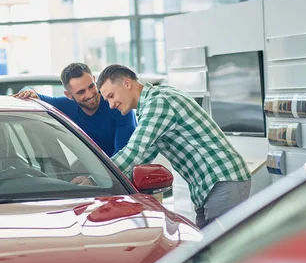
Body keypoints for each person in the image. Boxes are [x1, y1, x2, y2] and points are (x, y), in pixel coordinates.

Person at [96, 64, 252, 229]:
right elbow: (142, 156)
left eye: (112, 96)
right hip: (210, 187)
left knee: (222, 250)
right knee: (207, 250)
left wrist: (97, 177)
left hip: (222, 180)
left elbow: (134, 151)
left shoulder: (159, 102)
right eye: (107, 100)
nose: (111, 104)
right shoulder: (153, 104)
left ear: (127, 83)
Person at [13, 62, 137, 157]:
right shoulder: (65, 105)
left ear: (94, 80)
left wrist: (94, 179)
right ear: (69, 95)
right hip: (93, 170)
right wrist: (26, 91)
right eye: (81, 92)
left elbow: (123, 154)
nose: (89, 94)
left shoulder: (118, 106)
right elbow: (31, 93)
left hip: (122, 176)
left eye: (91, 86)